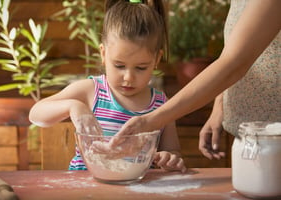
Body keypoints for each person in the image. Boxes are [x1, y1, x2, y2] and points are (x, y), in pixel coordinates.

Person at [29, 0, 186, 172]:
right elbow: (36, 114)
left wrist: (170, 158)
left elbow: (172, 150)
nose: (128, 77)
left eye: (141, 68)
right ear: (103, 54)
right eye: (119, 66)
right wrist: (73, 106)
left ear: (156, 60)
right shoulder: (90, 91)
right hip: (85, 188)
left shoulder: (162, 105)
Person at [111, 0, 281, 159]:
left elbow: (236, 62)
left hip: (274, 139)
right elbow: (243, 48)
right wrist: (222, 105)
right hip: (251, 139)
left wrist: (151, 121)